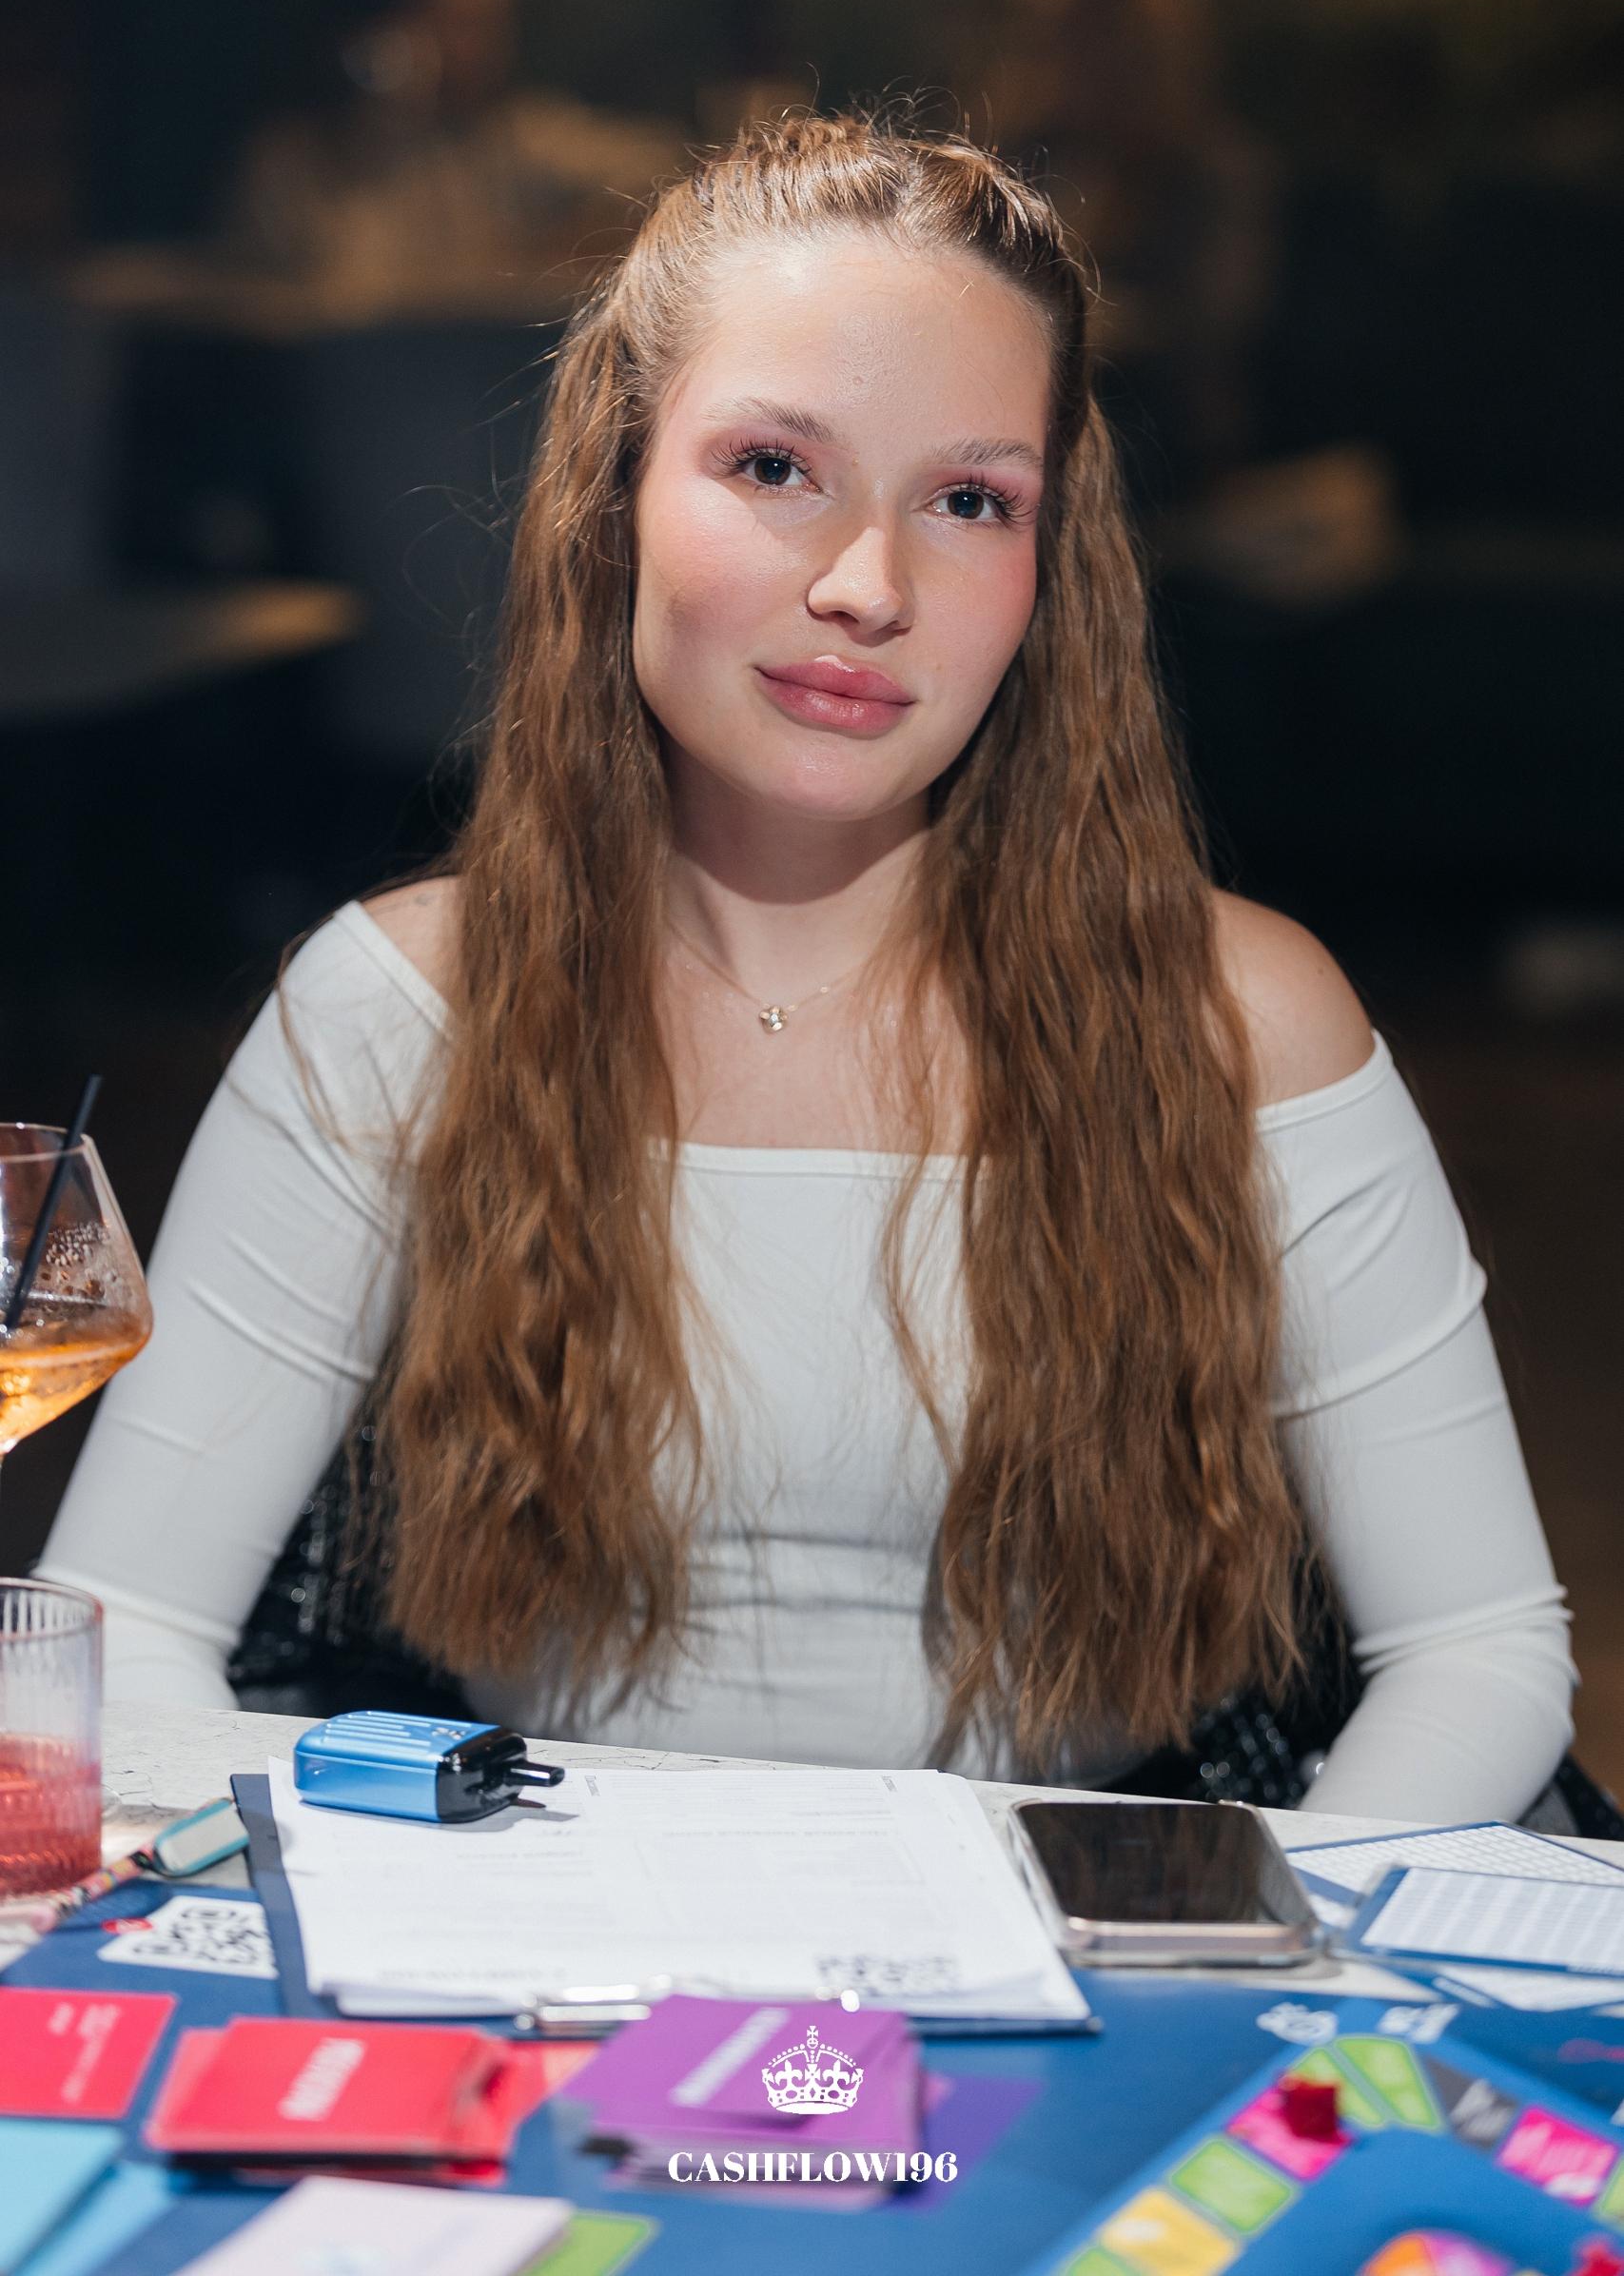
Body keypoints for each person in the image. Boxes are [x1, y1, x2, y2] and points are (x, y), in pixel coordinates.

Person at [43, 111, 1575, 1819]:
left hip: (1091, 1939)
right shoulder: (393, 1013)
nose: (869, 585)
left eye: (971, 500)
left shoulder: (1245, 1025)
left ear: (1051, 567)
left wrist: (1247, 1941)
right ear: (615, 493)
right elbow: (122, 1631)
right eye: (777, 468)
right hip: (522, 1924)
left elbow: (1480, 1654)